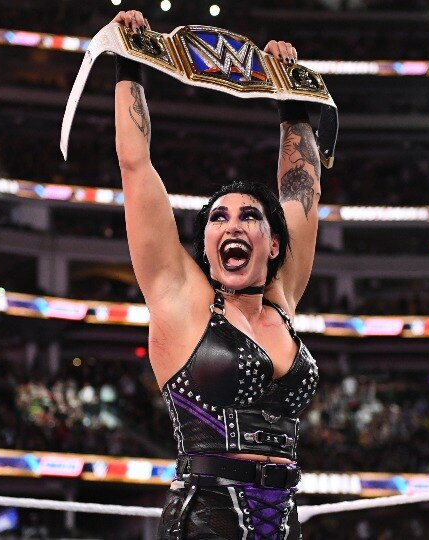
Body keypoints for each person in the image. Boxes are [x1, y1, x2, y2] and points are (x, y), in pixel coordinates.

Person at [110, 10, 321, 540]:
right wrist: (129, 62)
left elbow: (299, 193)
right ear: (203, 245)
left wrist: (293, 102)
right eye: (218, 217)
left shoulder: (282, 301)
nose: (233, 224)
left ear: (273, 244)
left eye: (250, 215)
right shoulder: (180, 300)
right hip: (206, 522)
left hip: (283, 523)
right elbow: (136, 166)